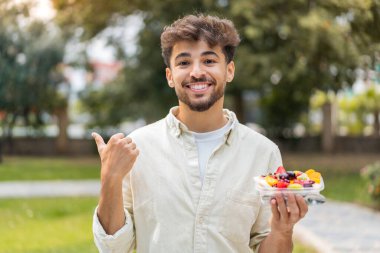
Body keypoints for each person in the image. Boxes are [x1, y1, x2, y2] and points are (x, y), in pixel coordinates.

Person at [92, 14, 308, 253]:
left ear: (229, 71)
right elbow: (114, 248)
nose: (196, 72)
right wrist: (109, 179)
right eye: (184, 63)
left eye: (209, 61)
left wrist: (282, 230)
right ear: (170, 76)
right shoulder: (137, 148)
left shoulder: (263, 153)